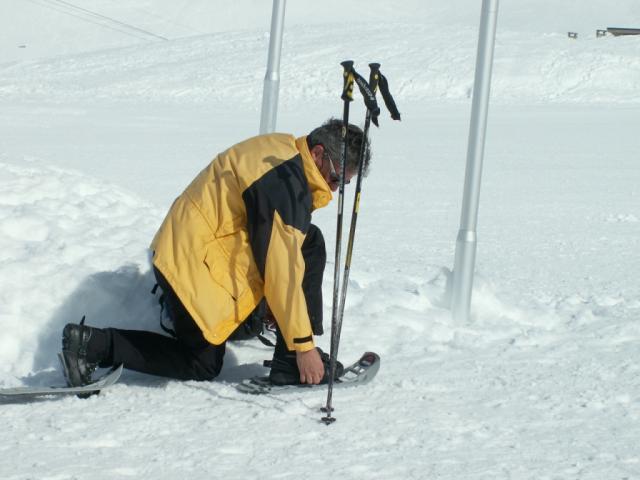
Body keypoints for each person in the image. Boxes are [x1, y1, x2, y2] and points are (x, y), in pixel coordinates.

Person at [60, 118, 371, 387]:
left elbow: (280, 249)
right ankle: (92, 346)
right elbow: (282, 270)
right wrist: (303, 345)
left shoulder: (284, 150)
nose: (334, 189)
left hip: (190, 246)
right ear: (318, 154)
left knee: (309, 241)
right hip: (190, 267)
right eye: (335, 179)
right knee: (202, 363)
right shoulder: (286, 187)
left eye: (343, 184)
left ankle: (288, 357)